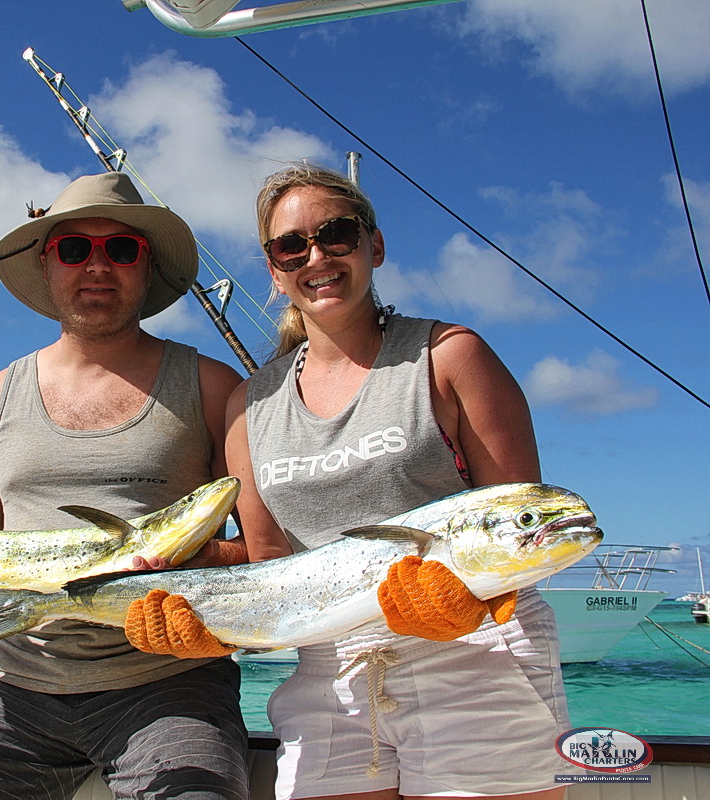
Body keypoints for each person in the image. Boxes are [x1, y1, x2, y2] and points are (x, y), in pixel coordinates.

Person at [129, 162, 571, 800]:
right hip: (329, 672)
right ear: (275, 272)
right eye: (292, 246)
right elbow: (268, 563)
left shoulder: (449, 356)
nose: (317, 256)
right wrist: (201, 617)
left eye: (337, 234)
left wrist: (469, 605)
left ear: (375, 245)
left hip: (479, 658)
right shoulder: (249, 404)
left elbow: (519, 526)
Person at [0, 171, 252, 800]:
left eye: (121, 249)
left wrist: (197, 563)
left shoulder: (212, 385)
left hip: (171, 682)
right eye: (74, 249)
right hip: (11, 684)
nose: (98, 266)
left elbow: (268, 550)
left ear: (146, 268)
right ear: (47, 264)